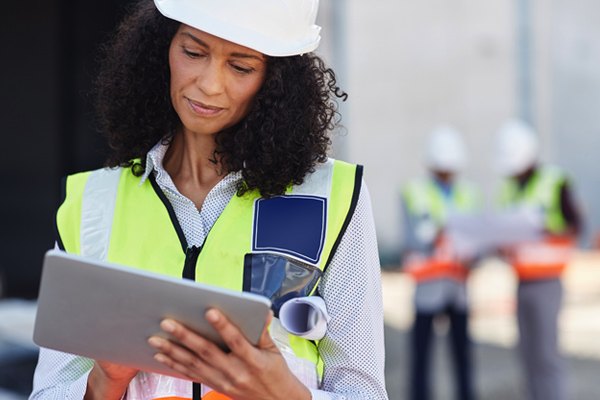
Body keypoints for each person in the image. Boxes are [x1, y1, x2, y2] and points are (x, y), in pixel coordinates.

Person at [29, 1, 388, 399]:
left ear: (276, 79)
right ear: (161, 47)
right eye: (193, 52)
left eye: (241, 66)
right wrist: (104, 382)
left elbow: (364, 391)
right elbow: (49, 390)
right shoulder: (94, 205)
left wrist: (285, 393)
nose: (209, 84)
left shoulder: (333, 198)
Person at [494, 119, 582, 400]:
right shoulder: (508, 188)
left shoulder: (556, 182)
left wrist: (545, 230)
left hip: (548, 282)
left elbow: (575, 226)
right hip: (521, 280)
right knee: (527, 354)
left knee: (546, 354)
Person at [400, 126, 479, 400]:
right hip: (427, 288)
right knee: (421, 358)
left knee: (463, 357)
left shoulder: (469, 193)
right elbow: (414, 238)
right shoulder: (414, 191)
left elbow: (476, 237)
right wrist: (441, 234)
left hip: (458, 288)